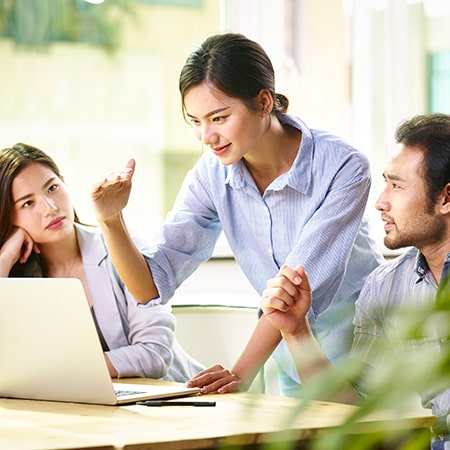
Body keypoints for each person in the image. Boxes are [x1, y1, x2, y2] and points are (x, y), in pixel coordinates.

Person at [91, 32, 384, 396]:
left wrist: (241, 372)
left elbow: (292, 290)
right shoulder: (211, 174)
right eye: (195, 121)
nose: (206, 136)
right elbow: (149, 286)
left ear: (263, 102)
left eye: (219, 117)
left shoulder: (343, 167)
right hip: (291, 365)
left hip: (364, 355)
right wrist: (111, 220)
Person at [260, 113, 450, 447]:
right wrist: (296, 331)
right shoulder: (385, 287)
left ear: (446, 197)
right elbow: (354, 412)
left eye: (397, 186)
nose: (380, 202)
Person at [0, 143, 204, 382]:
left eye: (53, 188)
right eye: (28, 203)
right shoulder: (18, 276)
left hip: (169, 399)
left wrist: (59, 372)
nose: (50, 208)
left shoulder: (124, 249)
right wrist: (4, 260)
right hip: (79, 408)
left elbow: (154, 355)